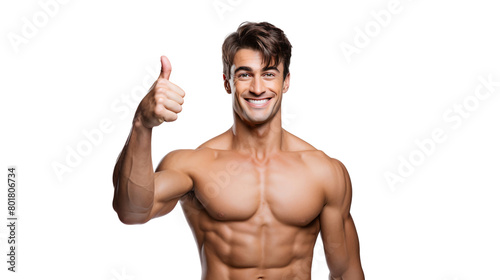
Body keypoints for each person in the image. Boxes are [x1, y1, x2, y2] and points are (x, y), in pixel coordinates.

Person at [112, 21, 364, 280]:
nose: (257, 88)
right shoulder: (194, 165)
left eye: (269, 74)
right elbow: (131, 211)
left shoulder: (323, 172)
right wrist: (142, 124)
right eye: (245, 74)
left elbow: (346, 272)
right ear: (227, 82)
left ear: (285, 81)